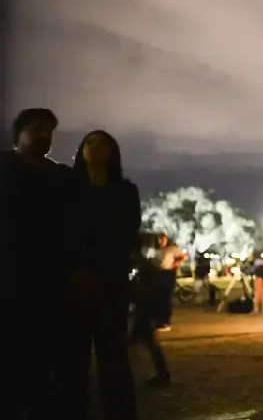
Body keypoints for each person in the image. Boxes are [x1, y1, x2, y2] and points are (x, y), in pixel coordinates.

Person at [60, 130, 141, 420]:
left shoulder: (125, 191)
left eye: (103, 144)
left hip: (112, 283)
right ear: (81, 150)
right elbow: (60, 233)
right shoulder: (67, 187)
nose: (96, 148)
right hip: (74, 283)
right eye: (90, 142)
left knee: (115, 359)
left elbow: (128, 236)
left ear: (113, 153)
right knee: (73, 360)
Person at [2, 108, 74, 419]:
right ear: (18, 133)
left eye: (49, 131)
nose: (45, 136)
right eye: (37, 129)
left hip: (51, 278)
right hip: (10, 275)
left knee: (46, 354)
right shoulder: (3, 167)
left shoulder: (61, 176)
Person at [134, 233, 186, 387]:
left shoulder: (169, 251)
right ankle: (159, 372)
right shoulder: (151, 255)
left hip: (148, 298)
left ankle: (160, 373)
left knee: (146, 338)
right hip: (145, 299)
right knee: (143, 338)